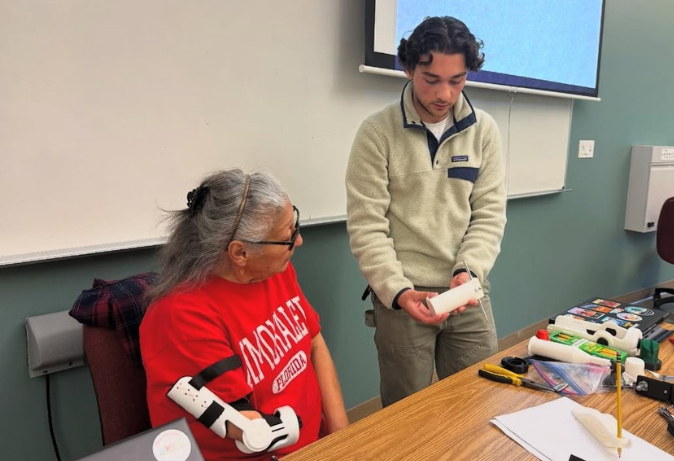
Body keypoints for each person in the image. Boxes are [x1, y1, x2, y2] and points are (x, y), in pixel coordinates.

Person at [346, 16, 507, 406]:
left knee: (476, 402)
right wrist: (398, 292)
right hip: (403, 297)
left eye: (457, 80)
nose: (445, 94)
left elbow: (489, 214)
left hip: (466, 293)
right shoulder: (377, 132)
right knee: (407, 413)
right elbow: (367, 226)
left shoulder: (483, 130)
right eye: (431, 79)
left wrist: (468, 271)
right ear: (408, 68)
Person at [141, 169, 348, 461]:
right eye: (288, 235)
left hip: (316, 442)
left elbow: (314, 342)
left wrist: (344, 437)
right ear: (240, 253)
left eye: (295, 224)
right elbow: (246, 426)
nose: (298, 242)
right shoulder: (180, 315)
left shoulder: (274, 271)